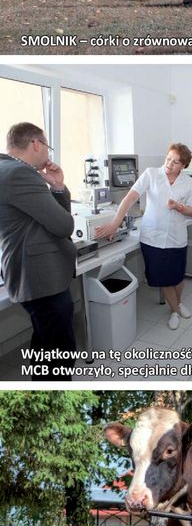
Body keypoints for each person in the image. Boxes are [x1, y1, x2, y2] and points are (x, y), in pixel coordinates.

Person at [0, 122, 78, 378]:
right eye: (47, 145)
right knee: (60, 353)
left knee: (45, 342)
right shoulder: (20, 174)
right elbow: (63, 224)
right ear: (36, 143)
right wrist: (57, 189)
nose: (48, 152)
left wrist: (56, 186)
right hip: (42, 279)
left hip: (29, 275)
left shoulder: (6, 169)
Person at [97, 143, 192, 330]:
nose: (169, 164)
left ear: (183, 165)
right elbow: (130, 198)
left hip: (177, 237)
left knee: (178, 277)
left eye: (175, 162)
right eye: (168, 158)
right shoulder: (151, 174)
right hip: (153, 237)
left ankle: (178, 303)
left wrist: (178, 206)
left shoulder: (189, 182)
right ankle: (175, 310)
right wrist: (115, 223)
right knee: (165, 278)